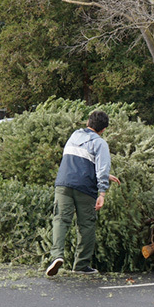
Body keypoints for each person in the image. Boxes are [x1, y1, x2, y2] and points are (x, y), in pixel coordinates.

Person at [46, 110, 120, 277]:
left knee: (60, 220)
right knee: (86, 225)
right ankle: (81, 265)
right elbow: (101, 168)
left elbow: (79, 159)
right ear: (104, 129)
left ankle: (56, 256)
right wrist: (102, 193)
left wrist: (105, 176)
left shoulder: (74, 135)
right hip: (85, 188)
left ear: (88, 123)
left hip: (63, 183)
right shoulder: (100, 143)